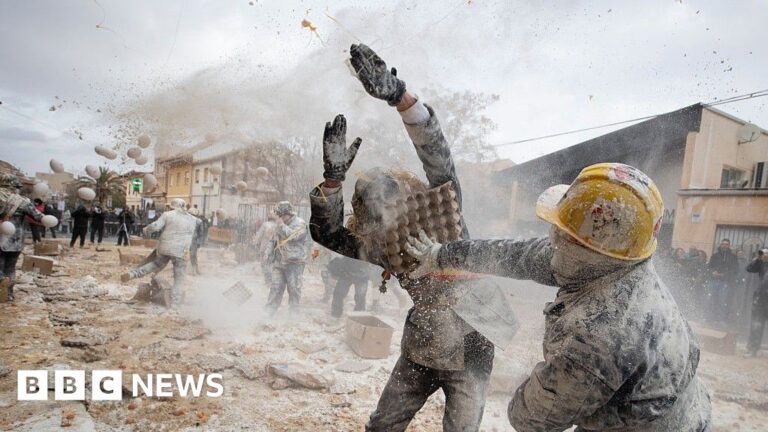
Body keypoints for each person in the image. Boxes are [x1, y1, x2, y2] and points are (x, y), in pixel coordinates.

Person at [406, 163, 711, 432]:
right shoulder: (609, 258)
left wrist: (530, 381)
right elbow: (518, 255)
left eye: (562, 233)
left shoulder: (600, 334)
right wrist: (444, 255)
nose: (553, 236)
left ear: (587, 248)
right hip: (648, 407)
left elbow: (532, 418)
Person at [309, 44, 515, 432]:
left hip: (473, 339)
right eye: (376, 212)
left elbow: (438, 157)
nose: (389, 218)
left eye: (393, 204)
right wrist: (332, 180)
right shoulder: (380, 245)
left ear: (409, 195)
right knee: (383, 425)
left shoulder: (443, 213)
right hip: (422, 343)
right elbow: (328, 234)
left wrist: (400, 97)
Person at [120, 198, 201, 307]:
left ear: (172, 206)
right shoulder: (193, 219)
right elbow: (198, 225)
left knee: (155, 264)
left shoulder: (167, 215)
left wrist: (146, 230)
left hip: (165, 247)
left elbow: (155, 226)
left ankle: (132, 274)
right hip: (181, 251)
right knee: (179, 276)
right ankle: (175, 302)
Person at [0, 174, 44, 301]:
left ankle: (1, 287)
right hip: (15, 240)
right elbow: (38, 217)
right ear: (16, 187)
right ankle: (8, 294)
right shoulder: (23, 201)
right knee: (10, 268)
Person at [265, 201, 309, 314]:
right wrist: (268, 254)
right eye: (278, 215)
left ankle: (293, 316)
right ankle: (268, 313)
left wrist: (281, 225)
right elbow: (274, 240)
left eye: (281, 215)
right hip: (279, 262)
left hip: (294, 263)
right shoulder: (280, 224)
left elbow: (293, 237)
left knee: (293, 290)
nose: (279, 218)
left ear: (288, 214)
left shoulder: (300, 223)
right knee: (275, 288)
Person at [707, 238, 739, 324]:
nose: (724, 245)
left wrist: (725, 275)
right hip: (713, 281)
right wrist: (712, 272)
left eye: (726, 244)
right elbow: (709, 266)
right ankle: (710, 318)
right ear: (720, 245)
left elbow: (735, 270)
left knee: (723, 301)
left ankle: (721, 320)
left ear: (729, 245)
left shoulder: (733, 257)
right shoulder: (715, 255)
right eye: (723, 244)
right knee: (711, 299)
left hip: (725, 282)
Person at [745, 249, 768, 356]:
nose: (765, 256)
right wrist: (758, 259)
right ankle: (752, 348)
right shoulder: (762, 264)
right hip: (762, 298)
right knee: (756, 324)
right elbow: (749, 268)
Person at [253, 214, 278, 289]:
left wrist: (255, 242)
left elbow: (259, 236)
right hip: (274, 249)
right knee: (271, 265)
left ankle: (268, 281)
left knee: (264, 265)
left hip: (264, 248)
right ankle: (272, 281)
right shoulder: (277, 226)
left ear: (268, 218)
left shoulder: (265, 225)